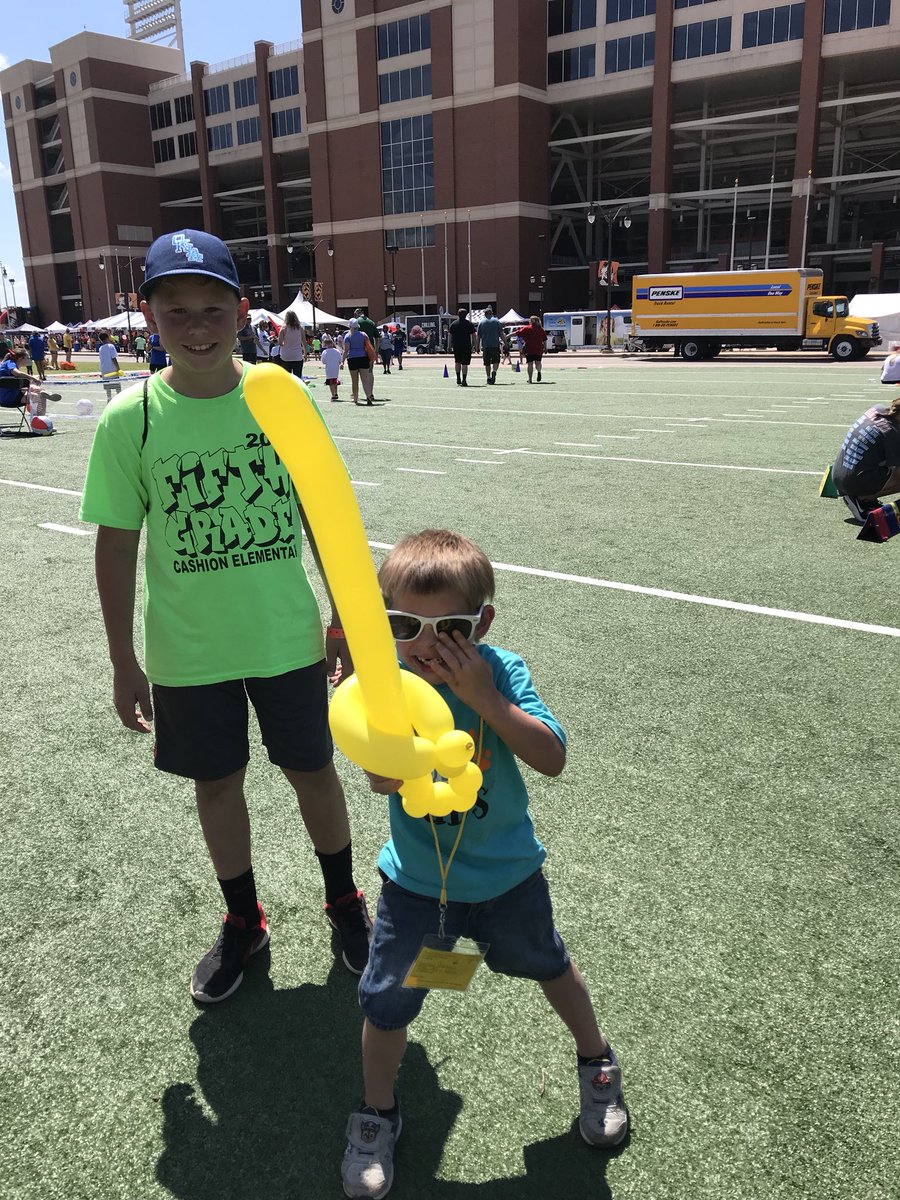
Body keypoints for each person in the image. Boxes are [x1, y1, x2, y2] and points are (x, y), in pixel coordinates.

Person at [78, 228, 372, 1004]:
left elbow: (323, 513)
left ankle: (345, 901)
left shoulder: (283, 395)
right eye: (177, 311)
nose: (198, 326)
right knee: (217, 784)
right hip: (188, 650)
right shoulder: (130, 419)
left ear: (243, 311)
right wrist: (121, 661)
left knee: (313, 771)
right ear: (148, 317)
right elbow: (115, 548)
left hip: (286, 638)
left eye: (214, 307)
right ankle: (244, 918)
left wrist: (345, 617)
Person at [340, 529, 628, 1198]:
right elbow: (381, 775)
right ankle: (377, 1111)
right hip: (416, 885)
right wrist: (384, 758)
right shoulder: (388, 685)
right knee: (386, 1001)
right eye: (406, 624)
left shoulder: (501, 671)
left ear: (484, 623)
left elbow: (552, 757)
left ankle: (597, 1062)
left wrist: (484, 702)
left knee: (550, 964)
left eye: (452, 627)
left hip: (509, 878)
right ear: (385, 622)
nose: (427, 643)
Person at [831, 393, 900, 523]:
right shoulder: (892, 434)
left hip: (838, 473)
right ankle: (863, 498)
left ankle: (863, 493)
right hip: (852, 482)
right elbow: (898, 478)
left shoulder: (877, 409)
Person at [0, 350, 59, 414]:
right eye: (27, 358)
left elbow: (10, 384)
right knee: (38, 397)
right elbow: (16, 373)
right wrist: (31, 377)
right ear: (21, 358)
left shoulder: (7, 364)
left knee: (33, 391)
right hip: (9, 398)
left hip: (5, 398)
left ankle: (41, 391)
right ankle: (39, 418)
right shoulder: (10, 363)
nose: (29, 360)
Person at [341, 318, 377, 406]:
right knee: (365, 380)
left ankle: (356, 399)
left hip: (352, 359)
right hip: (363, 358)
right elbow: (368, 346)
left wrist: (342, 362)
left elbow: (346, 350)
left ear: (350, 326)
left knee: (354, 380)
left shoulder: (347, 336)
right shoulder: (363, 335)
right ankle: (368, 397)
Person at [448, 308, 476, 386]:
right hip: (466, 346)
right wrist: (475, 345)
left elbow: (450, 336)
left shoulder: (453, 324)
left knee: (457, 362)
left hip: (456, 346)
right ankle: (464, 380)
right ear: (466, 315)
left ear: (458, 315)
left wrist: (449, 346)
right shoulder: (469, 324)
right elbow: (474, 336)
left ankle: (458, 378)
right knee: (465, 363)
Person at [517, 315, 548, 383]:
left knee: (530, 364)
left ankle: (530, 379)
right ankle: (539, 372)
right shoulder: (541, 329)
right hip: (539, 348)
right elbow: (545, 339)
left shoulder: (527, 328)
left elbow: (518, 333)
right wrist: (545, 348)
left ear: (530, 321)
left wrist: (508, 336)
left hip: (529, 348)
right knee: (538, 362)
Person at [476, 306, 502, 385]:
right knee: (496, 361)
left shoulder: (481, 323)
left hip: (486, 346)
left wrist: (477, 347)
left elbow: (478, 336)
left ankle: (488, 377)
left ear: (485, 314)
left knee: (487, 363)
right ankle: (494, 371)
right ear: (492, 313)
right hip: (495, 345)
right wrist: (506, 343)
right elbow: (501, 334)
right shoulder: (497, 322)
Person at [277, 310, 307, 377]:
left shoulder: (283, 328)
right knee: (298, 376)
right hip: (297, 355)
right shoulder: (300, 328)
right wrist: (305, 354)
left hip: (286, 356)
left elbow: (280, 342)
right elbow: (304, 342)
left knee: (287, 377)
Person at [97, 331, 122, 402]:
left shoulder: (100, 348)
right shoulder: (111, 346)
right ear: (107, 338)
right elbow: (114, 358)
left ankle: (109, 399)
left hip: (104, 369)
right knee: (117, 387)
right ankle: (119, 400)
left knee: (108, 389)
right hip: (112, 369)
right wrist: (118, 368)